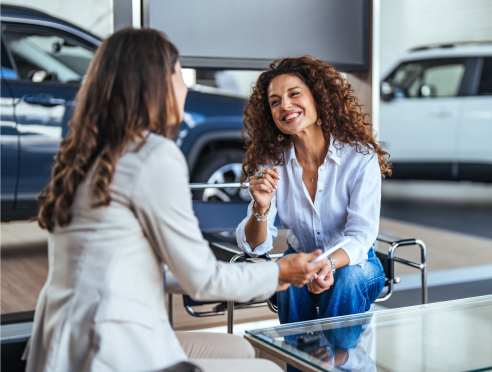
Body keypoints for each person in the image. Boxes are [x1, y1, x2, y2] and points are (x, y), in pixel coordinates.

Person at [23, 29, 324, 372]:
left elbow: (142, 267)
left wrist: (274, 275)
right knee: (267, 370)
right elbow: (203, 281)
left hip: (65, 342)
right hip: (110, 348)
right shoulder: (153, 156)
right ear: (157, 84)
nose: (185, 86)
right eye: (180, 74)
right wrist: (279, 270)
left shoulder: (88, 154)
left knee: (238, 349)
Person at [236, 56, 392, 326]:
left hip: (355, 264)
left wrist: (326, 264)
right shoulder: (271, 163)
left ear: (319, 97)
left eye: (294, 93)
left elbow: (361, 236)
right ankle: (302, 362)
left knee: (347, 279)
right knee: (290, 277)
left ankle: (341, 363)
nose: (285, 105)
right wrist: (260, 208)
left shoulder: (359, 157)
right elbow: (254, 247)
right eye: (275, 101)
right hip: (301, 257)